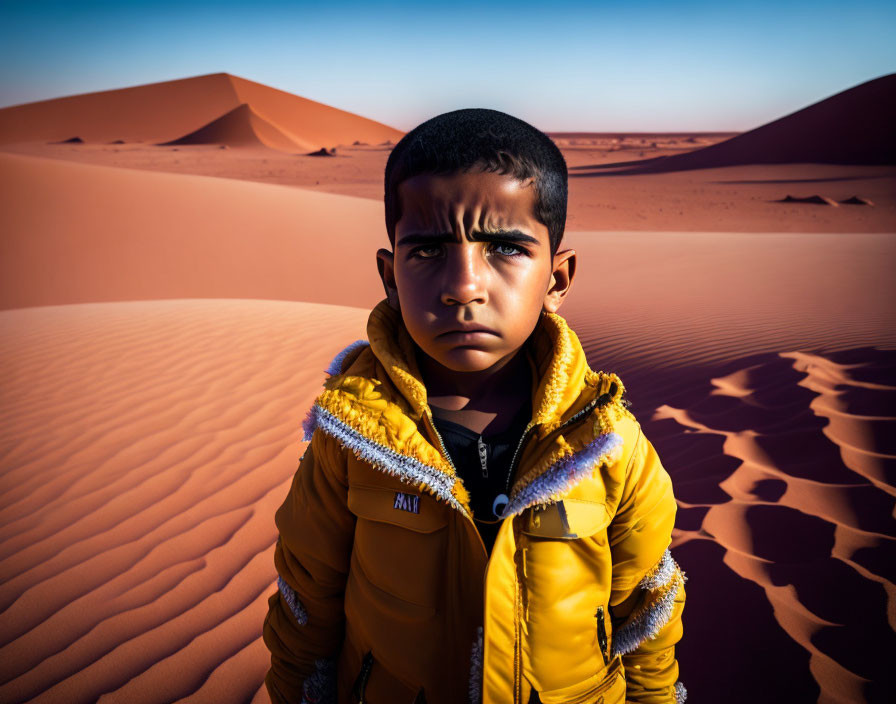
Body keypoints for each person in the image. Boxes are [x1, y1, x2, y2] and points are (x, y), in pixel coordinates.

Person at [262, 108, 687, 704]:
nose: (464, 286)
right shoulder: (351, 440)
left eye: (508, 249)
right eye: (428, 250)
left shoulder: (609, 445)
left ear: (558, 279)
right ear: (389, 276)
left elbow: (647, 621)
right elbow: (306, 612)